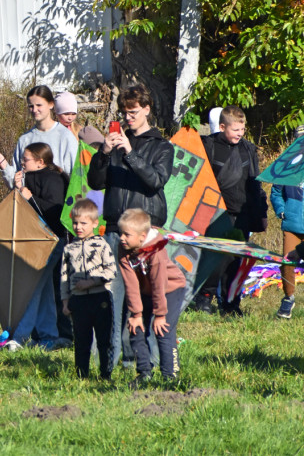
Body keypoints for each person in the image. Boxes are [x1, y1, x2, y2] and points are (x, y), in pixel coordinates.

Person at [87, 84, 173, 370]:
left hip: (146, 232)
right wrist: (103, 152)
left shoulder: (162, 146)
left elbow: (155, 181)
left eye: (134, 112)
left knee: (148, 298)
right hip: (114, 227)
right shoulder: (113, 145)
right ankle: (109, 364)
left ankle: (148, 362)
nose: (128, 118)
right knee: (114, 298)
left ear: (147, 110)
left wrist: (129, 153)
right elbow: (95, 183)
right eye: (124, 113)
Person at [199, 106, 268, 316]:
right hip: (217, 212)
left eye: (242, 129)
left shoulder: (248, 148)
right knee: (215, 259)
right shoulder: (209, 146)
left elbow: (254, 181)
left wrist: (259, 209)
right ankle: (204, 298)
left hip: (242, 214)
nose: (240, 133)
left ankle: (230, 304)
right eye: (235, 129)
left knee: (235, 261)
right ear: (222, 127)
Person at [118, 208, 186, 388]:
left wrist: (160, 314)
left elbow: (159, 284)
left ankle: (170, 376)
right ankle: (144, 372)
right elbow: (130, 283)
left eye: (126, 234)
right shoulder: (124, 250)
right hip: (144, 290)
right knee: (135, 327)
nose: (121, 238)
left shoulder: (156, 252)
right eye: (120, 233)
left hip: (170, 288)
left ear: (142, 236)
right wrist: (136, 314)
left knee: (163, 330)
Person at [12, 142, 70, 347]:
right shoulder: (31, 177)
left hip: (51, 240)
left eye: (25, 159)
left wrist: (29, 196)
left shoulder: (53, 179)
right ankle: (47, 335)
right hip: (36, 239)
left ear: (40, 162)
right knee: (44, 289)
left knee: (32, 287)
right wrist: (19, 189)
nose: (21, 162)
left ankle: (19, 336)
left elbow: (55, 211)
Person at [60, 199, 117, 380]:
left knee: (104, 340)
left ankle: (105, 375)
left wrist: (91, 282)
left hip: (100, 298)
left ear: (94, 223)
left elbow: (111, 271)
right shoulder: (69, 248)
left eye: (83, 223)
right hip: (78, 301)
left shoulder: (102, 245)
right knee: (82, 341)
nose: (78, 227)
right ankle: (81, 376)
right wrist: (65, 302)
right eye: (75, 223)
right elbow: (63, 277)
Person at [0, 85, 78, 185]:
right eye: (31, 106)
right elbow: (16, 182)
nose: (34, 110)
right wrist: (2, 162)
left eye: (39, 105)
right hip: (28, 200)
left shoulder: (65, 137)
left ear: (51, 104)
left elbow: (75, 176)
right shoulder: (25, 139)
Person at [272, 180, 304, 318]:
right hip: (292, 224)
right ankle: (288, 298)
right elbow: (276, 192)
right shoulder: (289, 169)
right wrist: (281, 210)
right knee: (287, 260)